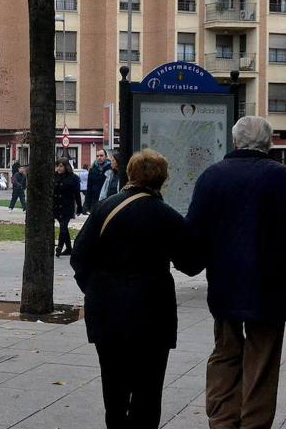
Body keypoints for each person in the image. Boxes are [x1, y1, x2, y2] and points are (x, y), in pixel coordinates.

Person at [186, 116, 286, 429]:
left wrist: (192, 263)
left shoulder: (211, 177)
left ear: (234, 143)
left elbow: (195, 234)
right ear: (269, 143)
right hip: (270, 286)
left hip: (224, 284)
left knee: (225, 353)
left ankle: (222, 420)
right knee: (263, 361)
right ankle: (254, 424)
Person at [71, 149, 196, 429]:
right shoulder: (168, 217)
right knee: (148, 393)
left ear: (130, 174)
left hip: (107, 312)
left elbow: (79, 257)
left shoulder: (104, 209)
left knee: (114, 392)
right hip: (153, 313)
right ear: (162, 180)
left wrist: (95, 290)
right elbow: (190, 263)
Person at [53, 158, 83, 257]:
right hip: (57, 206)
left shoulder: (73, 178)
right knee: (63, 227)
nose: (59, 168)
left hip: (67, 206)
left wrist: (79, 206)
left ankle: (60, 247)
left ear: (66, 166)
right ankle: (69, 248)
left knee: (63, 226)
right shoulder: (55, 176)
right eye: (58, 166)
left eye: (61, 166)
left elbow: (77, 193)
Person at [86, 149, 111, 213]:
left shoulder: (110, 168)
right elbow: (89, 187)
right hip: (95, 200)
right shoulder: (92, 169)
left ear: (106, 156)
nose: (99, 157)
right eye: (97, 156)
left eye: (101, 155)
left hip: (107, 200)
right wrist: (87, 205)